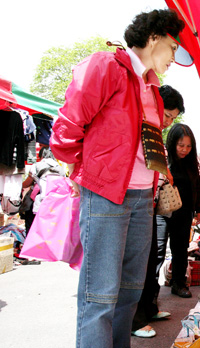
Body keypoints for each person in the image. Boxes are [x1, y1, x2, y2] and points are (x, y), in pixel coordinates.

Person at [50, 9, 190, 348]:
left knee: (130, 291)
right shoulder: (105, 66)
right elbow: (68, 124)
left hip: (143, 199)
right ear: (155, 37)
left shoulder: (154, 89)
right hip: (107, 195)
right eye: (174, 48)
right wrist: (77, 169)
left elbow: (147, 146)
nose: (174, 58)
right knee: (100, 295)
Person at [132, 84, 184, 338]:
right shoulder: (138, 125)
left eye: (173, 118)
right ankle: (135, 320)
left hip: (148, 206)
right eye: (168, 116)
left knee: (151, 259)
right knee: (138, 266)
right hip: (135, 204)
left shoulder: (152, 132)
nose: (168, 122)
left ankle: (149, 309)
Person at [159, 123, 200, 299]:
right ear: (172, 143)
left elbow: (196, 185)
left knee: (180, 249)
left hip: (184, 211)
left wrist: (199, 209)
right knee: (158, 250)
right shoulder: (163, 158)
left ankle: (178, 283)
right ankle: (150, 292)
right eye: (180, 145)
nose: (184, 150)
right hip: (161, 211)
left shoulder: (192, 162)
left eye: (188, 146)